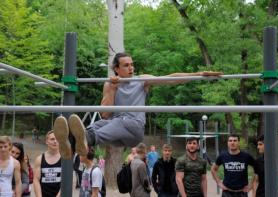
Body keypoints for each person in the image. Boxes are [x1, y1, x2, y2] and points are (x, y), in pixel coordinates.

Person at [53, 52, 223, 158]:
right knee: (99, 123)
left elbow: (171, 78)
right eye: (126, 65)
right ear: (116, 69)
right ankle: (72, 145)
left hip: (134, 129)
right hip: (117, 133)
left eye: (132, 64)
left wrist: (198, 74)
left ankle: (85, 141)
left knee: (118, 121)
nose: (131, 68)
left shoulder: (141, 81)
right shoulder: (109, 84)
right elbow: (105, 114)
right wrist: (112, 89)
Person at [33, 130, 61, 197]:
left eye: (57, 139)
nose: (55, 141)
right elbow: (36, 180)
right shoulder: (39, 159)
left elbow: (66, 182)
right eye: (52, 139)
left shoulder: (65, 160)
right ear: (46, 142)